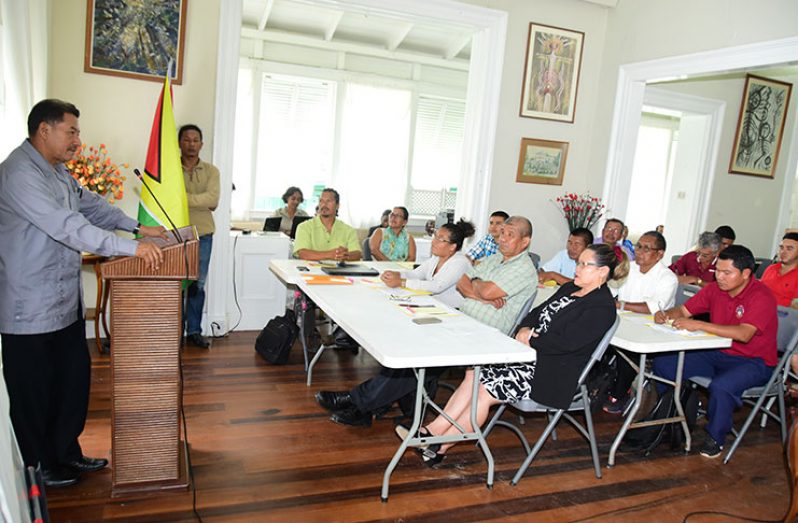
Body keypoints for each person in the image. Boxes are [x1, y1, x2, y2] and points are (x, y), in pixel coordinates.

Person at [0, 99, 166, 487]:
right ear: (45, 129)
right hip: (30, 306)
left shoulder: (57, 172)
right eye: (71, 131)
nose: (78, 140)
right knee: (35, 391)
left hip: (64, 303)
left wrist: (138, 229)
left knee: (71, 381)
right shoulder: (19, 173)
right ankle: (40, 466)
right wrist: (130, 248)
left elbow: (91, 206)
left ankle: (65, 454)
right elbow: (66, 224)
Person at [396, 243, 620, 466]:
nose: (576, 268)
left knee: (485, 390)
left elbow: (566, 343)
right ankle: (431, 432)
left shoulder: (602, 307)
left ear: (602, 272)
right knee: (474, 373)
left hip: (551, 372)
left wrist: (532, 339)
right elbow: (535, 313)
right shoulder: (570, 288)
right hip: (529, 357)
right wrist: (524, 330)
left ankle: (439, 446)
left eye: (584, 264)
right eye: (578, 262)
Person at [316, 216, 536, 426]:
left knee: (420, 356)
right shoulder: (494, 258)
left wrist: (478, 289)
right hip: (460, 319)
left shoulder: (523, 268)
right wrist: (481, 295)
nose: (503, 238)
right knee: (412, 350)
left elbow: (478, 286)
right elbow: (464, 283)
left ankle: (358, 402)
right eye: (502, 233)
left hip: (483, 334)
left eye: (510, 234)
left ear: (525, 241)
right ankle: (392, 409)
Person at [653, 245, 777, 459]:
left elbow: (744, 334)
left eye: (726, 272)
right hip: (719, 352)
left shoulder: (761, 296)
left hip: (755, 362)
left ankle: (715, 437)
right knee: (665, 363)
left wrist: (701, 326)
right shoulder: (714, 289)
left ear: (746, 274)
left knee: (721, 386)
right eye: (717, 271)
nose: (719, 277)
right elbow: (684, 311)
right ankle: (671, 414)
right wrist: (665, 314)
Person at [603, 231, 678, 414]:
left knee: (628, 350)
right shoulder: (630, 268)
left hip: (650, 330)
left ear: (659, 254)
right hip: (623, 321)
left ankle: (620, 393)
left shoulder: (667, 278)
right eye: (638, 246)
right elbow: (611, 289)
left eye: (646, 248)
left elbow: (652, 309)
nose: (639, 251)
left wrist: (620, 304)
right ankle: (597, 384)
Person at [179, 124, 220, 349]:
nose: (191, 144)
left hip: (203, 234)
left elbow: (213, 201)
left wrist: (183, 198)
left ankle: (194, 330)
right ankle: (174, 332)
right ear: (179, 143)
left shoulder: (212, 171)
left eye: (196, 140)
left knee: (197, 285)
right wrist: (198, 200)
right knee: (176, 285)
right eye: (187, 140)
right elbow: (170, 200)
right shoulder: (170, 169)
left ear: (201, 144)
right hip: (174, 235)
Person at [379, 219, 474, 308]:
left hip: (453, 310)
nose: (434, 242)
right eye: (435, 236)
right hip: (433, 305)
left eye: (440, 239)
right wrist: (396, 274)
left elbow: (436, 286)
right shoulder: (436, 258)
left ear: (452, 247)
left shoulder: (460, 263)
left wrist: (401, 282)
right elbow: (415, 274)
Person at [293, 187, 361, 261]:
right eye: (321, 201)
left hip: (339, 271)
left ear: (337, 205)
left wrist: (346, 255)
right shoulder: (304, 227)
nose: (324, 205)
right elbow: (303, 254)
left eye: (328, 201)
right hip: (311, 270)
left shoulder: (349, 230)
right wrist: (331, 254)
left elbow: (357, 253)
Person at [761, 232, 798, 307]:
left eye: (789, 249)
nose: (783, 252)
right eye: (781, 247)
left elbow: (795, 307)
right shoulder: (770, 268)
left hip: (783, 315)